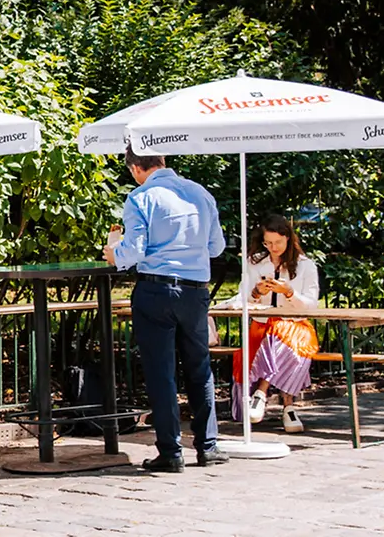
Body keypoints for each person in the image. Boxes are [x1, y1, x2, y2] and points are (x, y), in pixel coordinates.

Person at [104, 146, 228, 472]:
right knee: (200, 370)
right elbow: (217, 247)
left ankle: (171, 453)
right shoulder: (200, 193)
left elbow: (134, 251)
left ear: (135, 168)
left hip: (156, 290)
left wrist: (113, 253)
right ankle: (208, 447)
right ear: (163, 161)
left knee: (162, 374)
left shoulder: (140, 198)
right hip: (195, 291)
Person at [224, 214, 321, 433]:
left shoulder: (306, 266)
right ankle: (288, 408)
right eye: (268, 243)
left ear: (288, 238)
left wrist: (289, 293)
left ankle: (261, 393)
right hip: (262, 325)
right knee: (275, 335)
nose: (273, 247)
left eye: (277, 242)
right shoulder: (255, 262)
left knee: (281, 332)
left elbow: (310, 305)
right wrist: (257, 292)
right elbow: (244, 296)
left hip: (296, 326)